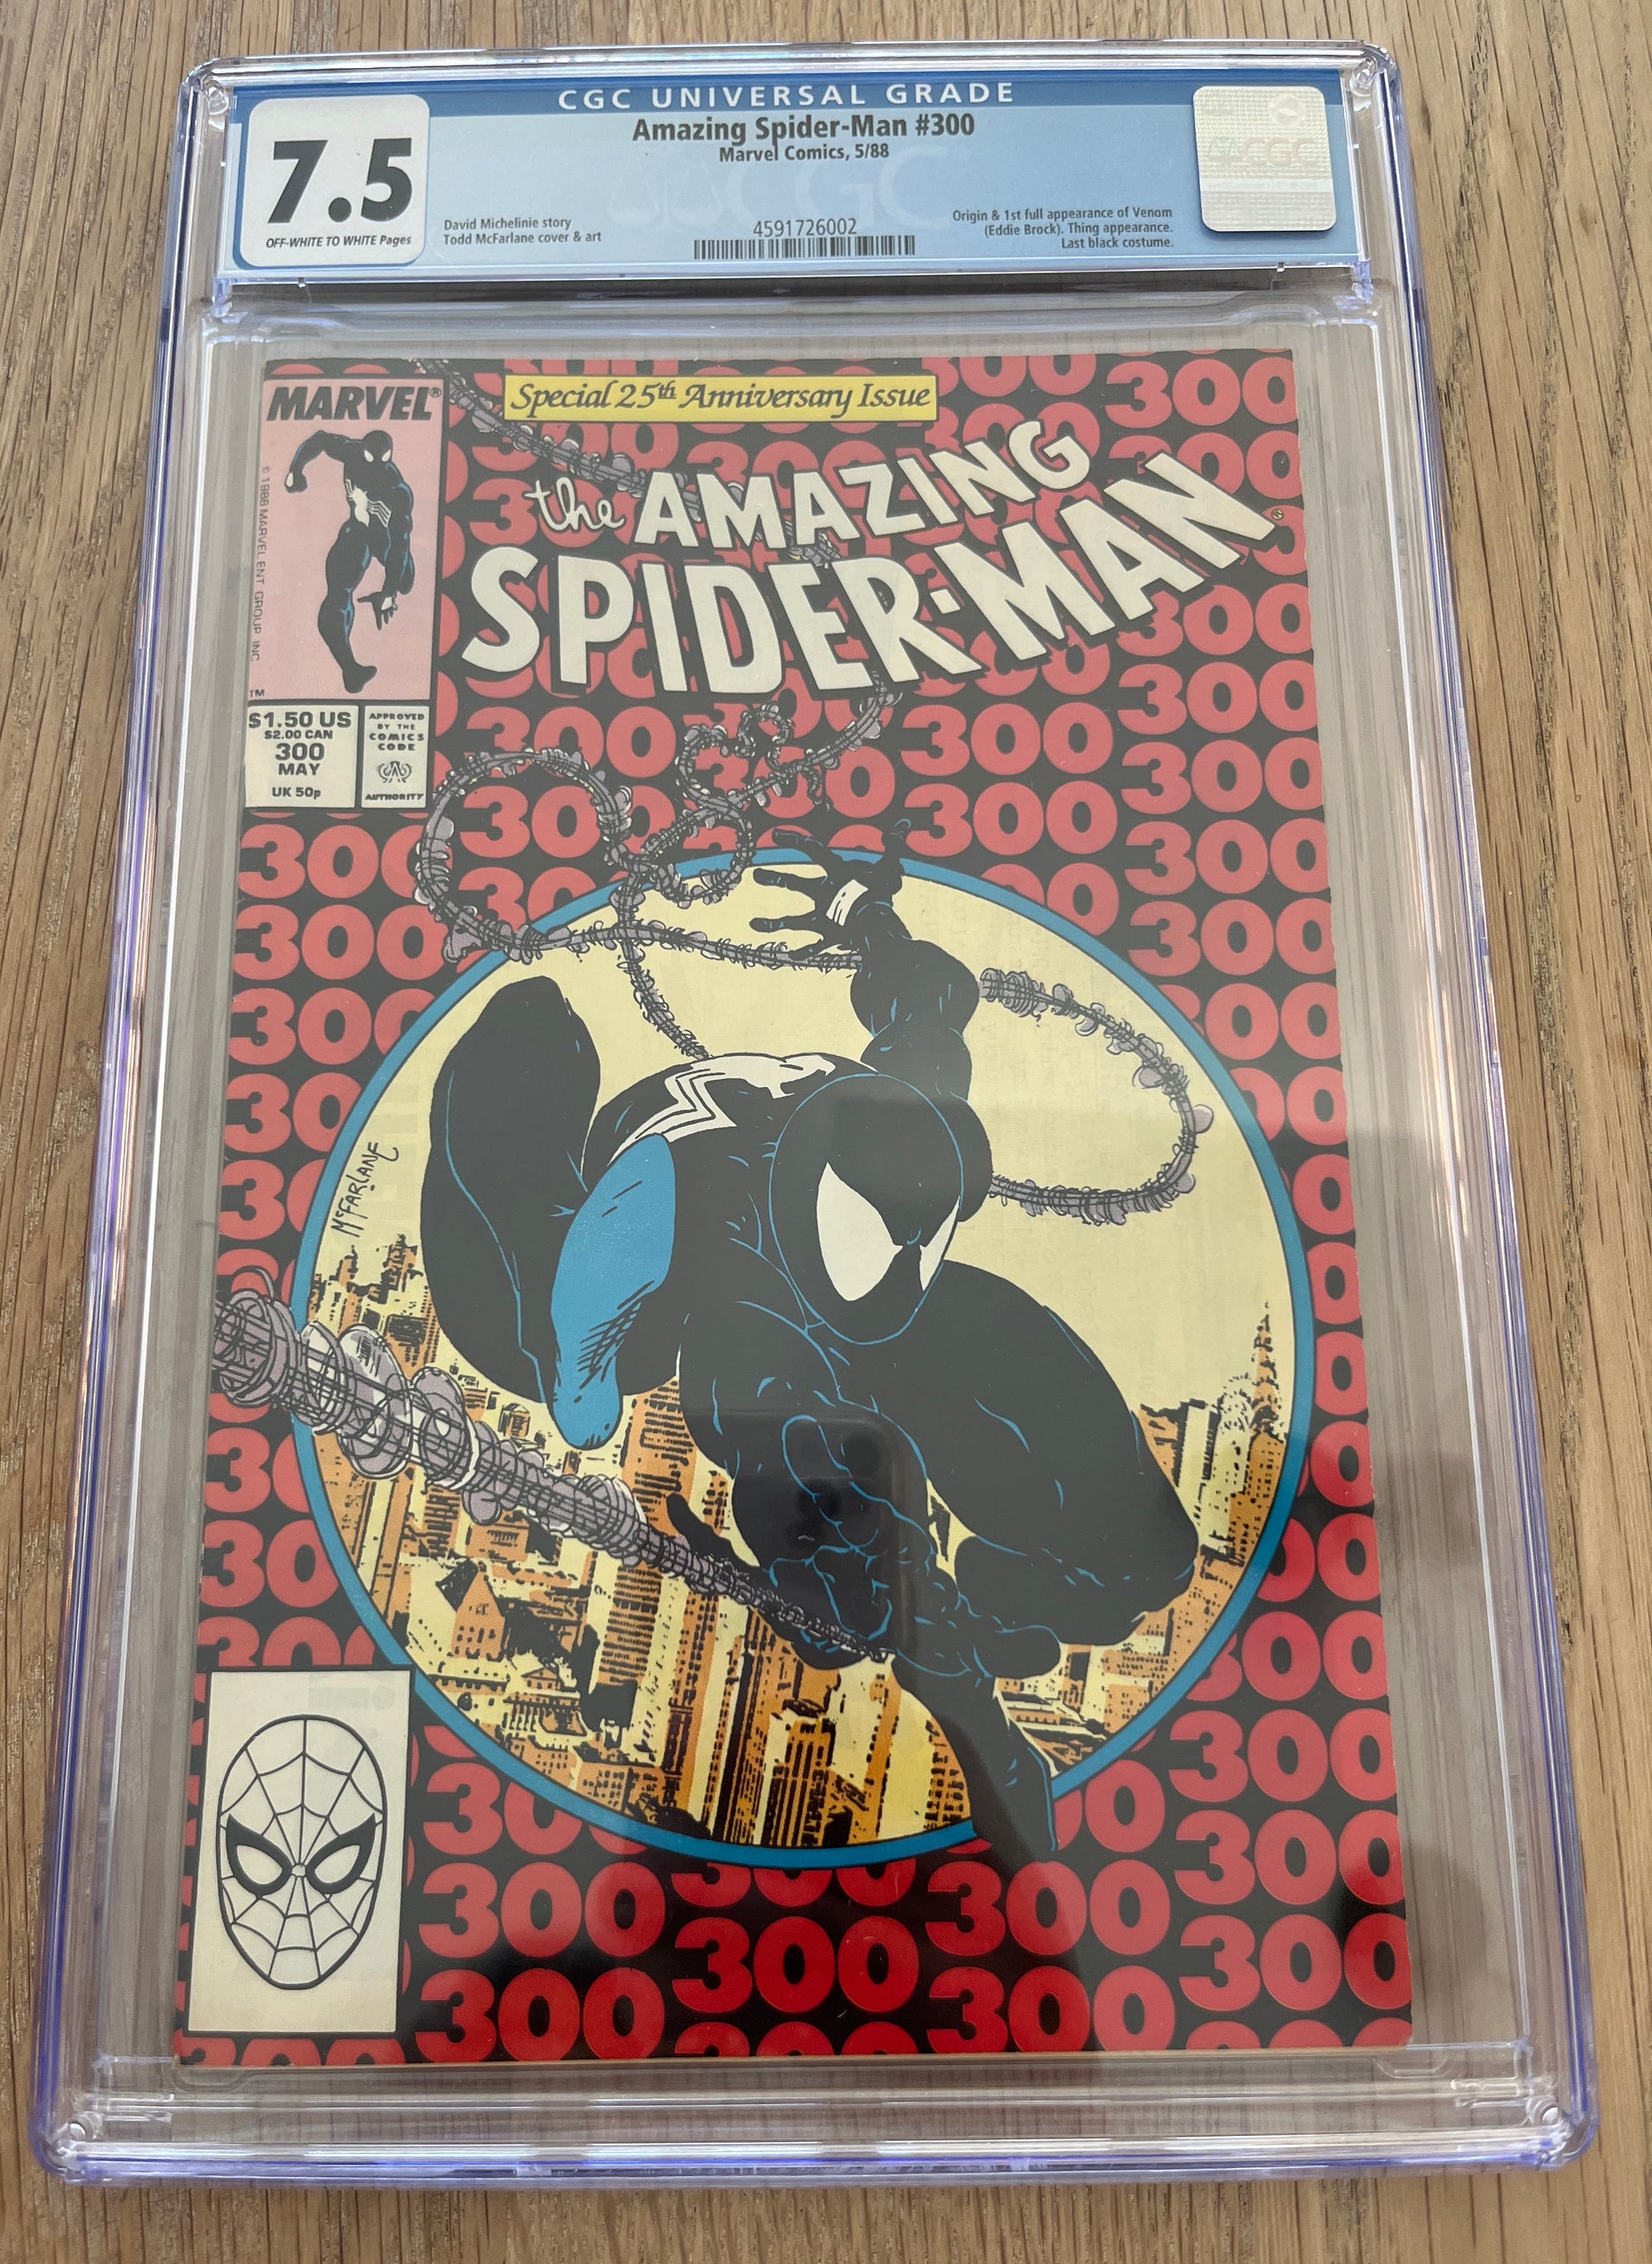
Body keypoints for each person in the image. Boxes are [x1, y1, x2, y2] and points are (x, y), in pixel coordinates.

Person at [420, 832, 1198, 1861]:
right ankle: (971, 1716)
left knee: (1132, 1537)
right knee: (794, 1453)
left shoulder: (915, 1110)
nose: (908, 1260)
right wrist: (585, 1384)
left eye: (926, 1237)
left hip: (815, 1275)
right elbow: (581, 1377)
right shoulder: (674, 1220)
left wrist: (859, 917)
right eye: (886, 1241)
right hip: (631, 1272)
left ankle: (1014, 1597)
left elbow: (929, 997)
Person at [283, 428, 414, 694]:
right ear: (362, 452)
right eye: (370, 460)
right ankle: (350, 669)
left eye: (381, 462)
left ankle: (391, 590)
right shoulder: (351, 453)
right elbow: (320, 439)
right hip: (358, 531)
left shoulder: (398, 491)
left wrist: (388, 591)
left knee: (405, 583)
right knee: (338, 594)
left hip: (385, 539)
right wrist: (296, 469)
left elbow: (400, 545)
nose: (375, 470)